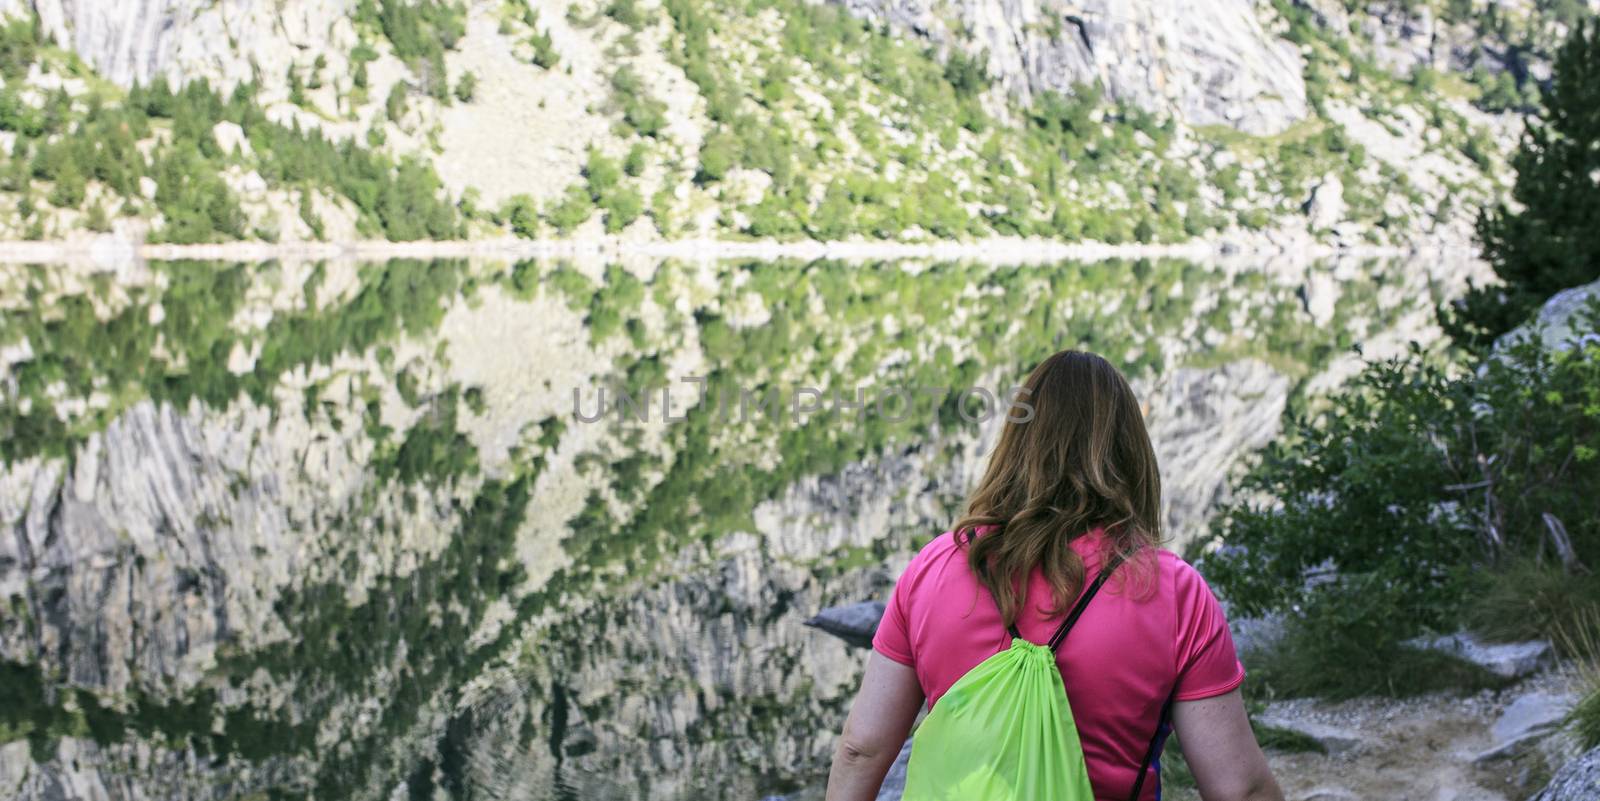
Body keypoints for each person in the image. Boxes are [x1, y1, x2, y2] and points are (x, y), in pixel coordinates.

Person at [824, 350, 1284, 801]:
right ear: (1130, 452)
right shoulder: (1175, 593)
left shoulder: (935, 567)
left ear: (1016, 443)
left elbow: (861, 750)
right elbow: (1238, 789)